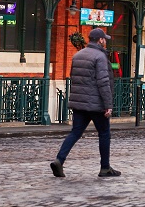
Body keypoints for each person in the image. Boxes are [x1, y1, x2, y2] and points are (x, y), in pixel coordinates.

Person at [51, 28, 119, 178]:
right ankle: (105, 168)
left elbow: (74, 78)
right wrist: (108, 105)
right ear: (100, 40)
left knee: (75, 132)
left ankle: (59, 160)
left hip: (79, 103)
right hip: (96, 104)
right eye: (104, 39)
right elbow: (103, 82)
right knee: (104, 133)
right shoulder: (100, 57)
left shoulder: (77, 55)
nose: (105, 41)